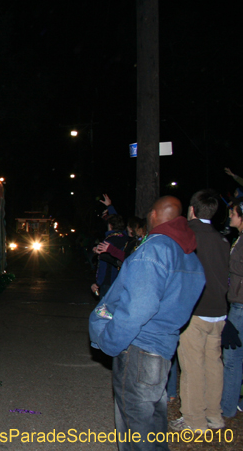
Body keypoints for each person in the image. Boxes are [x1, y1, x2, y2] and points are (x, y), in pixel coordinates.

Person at [89, 196, 205, 446]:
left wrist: (110, 341)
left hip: (139, 347)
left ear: (153, 215)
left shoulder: (153, 249)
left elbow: (138, 308)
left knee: (135, 425)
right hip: (163, 346)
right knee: (152, 420)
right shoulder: (187, 253)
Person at [170, 190, 230, 432]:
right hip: (219, 311)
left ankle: (194, 420)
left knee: (192, 366)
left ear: (192, 210)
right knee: (213, 364)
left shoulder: (188, 235)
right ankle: (214, 416)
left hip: (195, 310)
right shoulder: (222, 240)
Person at [221, 198, 243, 418]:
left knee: (233, 358)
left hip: (241, 306)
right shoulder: (239, 238)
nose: (230, 217)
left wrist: (227, 260)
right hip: (237, 303)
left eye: (233, 213)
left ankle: (227, 407)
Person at [90, 214, 130, 297]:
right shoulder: (126, 238)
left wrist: (98, 283)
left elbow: (103, 265)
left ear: (110, 225)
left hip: (109, 282)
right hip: (124, 280)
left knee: (106, 305)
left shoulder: (108, 242)